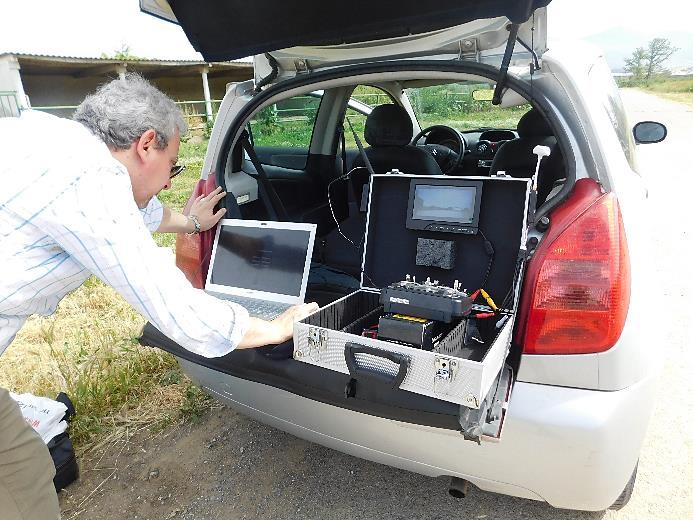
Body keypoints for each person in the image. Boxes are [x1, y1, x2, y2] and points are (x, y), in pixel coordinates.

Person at [0, 74, 318, 519]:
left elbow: (137, 208)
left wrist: (192, 224)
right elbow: (175, 308)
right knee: (22, 478)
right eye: (174, 166)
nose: (170, 181)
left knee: (23, 465)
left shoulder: (42, 136)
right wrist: (276, 327)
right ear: (146, 144)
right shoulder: (88, 181)